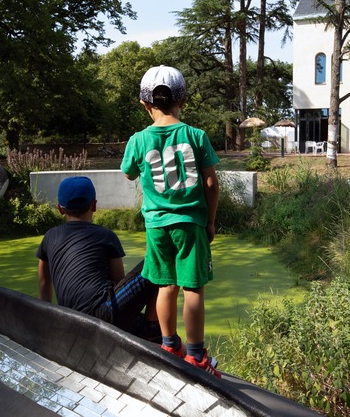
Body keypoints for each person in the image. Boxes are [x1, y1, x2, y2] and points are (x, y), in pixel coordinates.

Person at [121, 65, 221, 377]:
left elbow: (128, 172)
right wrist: (211, 222)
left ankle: (168, 345)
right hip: (190, 223)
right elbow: (211, 184)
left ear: (144, 103)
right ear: (184, 100)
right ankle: (196, 356)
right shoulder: (195, 135)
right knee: (193, 288)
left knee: (166, 285)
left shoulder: (138, 140)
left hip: (157, 226)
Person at [36, 176, 160, 339]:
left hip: (72, 319)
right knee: (158, 260)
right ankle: (152, 329)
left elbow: (44, 282)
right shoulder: (106, 235)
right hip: (106, 311)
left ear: (60, 208)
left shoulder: (49, 237)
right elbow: (120, 282)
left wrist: (47, 319)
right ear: (94, 205)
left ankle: (145, 326)